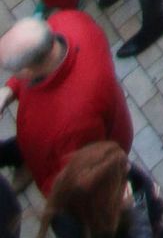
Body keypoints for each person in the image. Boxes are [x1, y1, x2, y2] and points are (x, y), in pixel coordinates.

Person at [0, 11, 133, 194]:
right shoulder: (67, 20)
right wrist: (9, 90)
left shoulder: (71, 124)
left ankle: (28, 168)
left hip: (85, 152)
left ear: (28, 71)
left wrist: (46, 186)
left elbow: (69, 177)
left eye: (12, 71)